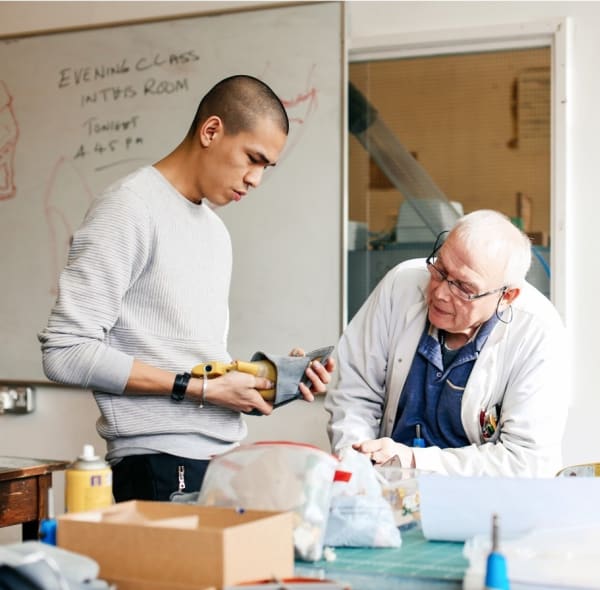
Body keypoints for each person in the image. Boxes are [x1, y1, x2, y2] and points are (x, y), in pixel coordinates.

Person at [39, 75, 333, 502]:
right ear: (211, 131)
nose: (256, 180)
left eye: (266, 167)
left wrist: (265, 380)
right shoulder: (128, 208)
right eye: (253, 158)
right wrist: (200, 388)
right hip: (156, 463)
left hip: (222, 460)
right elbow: (64, 353)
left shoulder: (215, 231)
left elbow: (193, 363)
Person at [325, 209, 568, 477]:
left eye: (464, 288)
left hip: (480, 501)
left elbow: (526, 460)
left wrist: (414, 460)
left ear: (507, 296)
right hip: (384, 487)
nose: (439, 293)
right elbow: (354, 391)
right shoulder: (400, 285)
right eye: (440, 270)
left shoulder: (538, 330)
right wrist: (358, 463)